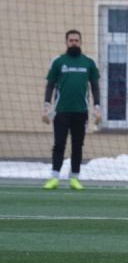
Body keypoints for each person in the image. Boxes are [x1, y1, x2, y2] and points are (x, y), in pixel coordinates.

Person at [41, 30, 102, 190]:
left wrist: (97, 107)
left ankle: (74, 178)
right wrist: (46, 106)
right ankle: (54, 177)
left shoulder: (89, 62)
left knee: (77, 145)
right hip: (61, 111)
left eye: (76, 40)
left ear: (80, 42)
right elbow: (50, 85)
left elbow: (95, 87)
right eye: (71, 40)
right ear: (66, 42)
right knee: (59, 144)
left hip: (81, 112)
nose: (73, 43)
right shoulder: (58, 62)